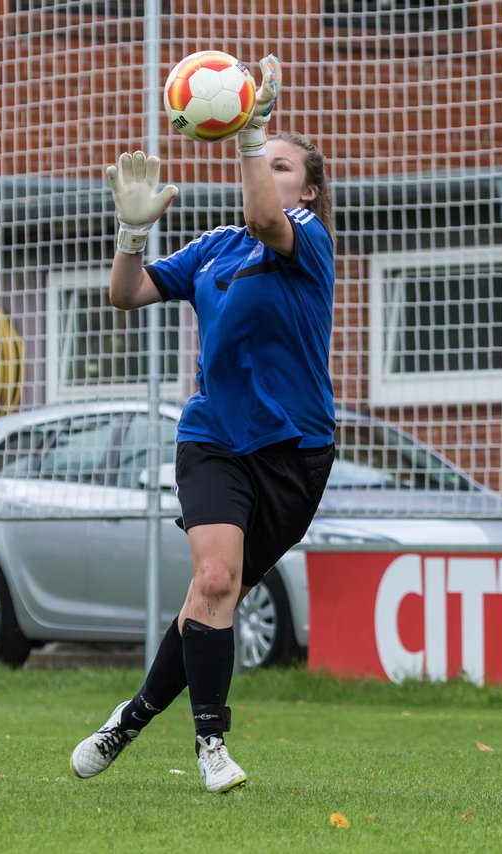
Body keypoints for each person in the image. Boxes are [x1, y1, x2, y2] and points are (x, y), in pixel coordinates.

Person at [70, 55, 336, 793]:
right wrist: (129, 232)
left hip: (296, 454)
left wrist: (251, 133)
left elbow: (265, 217)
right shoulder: (216, 245)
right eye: (264, 156)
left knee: (206, 606)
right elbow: (127, 294)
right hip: (212, 436)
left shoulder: (307, 239)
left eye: (284, 162)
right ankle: (212, 745)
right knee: (214, 579)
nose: (269, 164)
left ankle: (132, 717)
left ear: (307, 189)